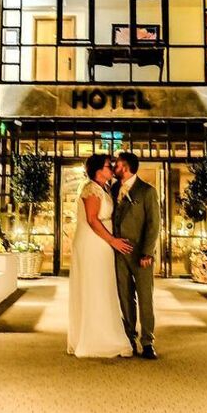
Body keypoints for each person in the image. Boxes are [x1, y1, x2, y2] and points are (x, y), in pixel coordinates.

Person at [67, 153, 135, 359]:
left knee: (103, 286)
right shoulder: (91, 189)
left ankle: (104, 333)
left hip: (101, 242)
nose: (111, 168)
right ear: (97, 170)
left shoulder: (104, 188)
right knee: (95, 286)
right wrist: (113, 240)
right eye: (108, 166)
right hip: (93, 242)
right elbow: (92, 219)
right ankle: (95, 338)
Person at [112, 150, 161, 359]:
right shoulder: (113, 189)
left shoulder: (147, 191)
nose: (114, 167)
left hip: (141, 253)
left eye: (117, 164)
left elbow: (154, 224)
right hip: (118, 252)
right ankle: (129, 337)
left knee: (145, 297)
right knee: (124, 296)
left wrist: (147, 252)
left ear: (126, 167)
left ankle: (148, 341)